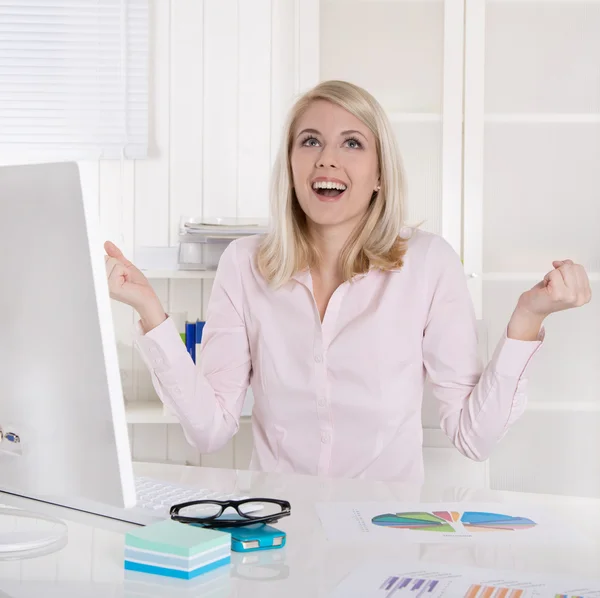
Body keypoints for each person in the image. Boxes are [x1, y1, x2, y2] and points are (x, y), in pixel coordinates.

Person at [104, 80, 591, 483]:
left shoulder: (427, 264)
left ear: (379, 174)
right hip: (278, 534)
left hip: (383, 541)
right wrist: (150, 309)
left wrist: (529, 318)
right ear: (292, 166)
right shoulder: (244, 263)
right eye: (310, 141)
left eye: (352, 143)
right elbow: (209, 431)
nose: (326, 159)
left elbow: (473, 436)